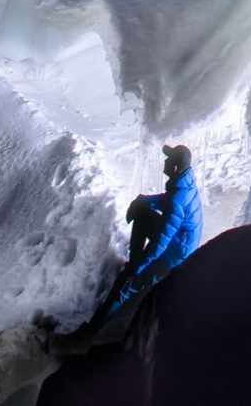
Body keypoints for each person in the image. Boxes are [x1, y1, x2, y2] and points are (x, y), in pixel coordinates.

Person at [77, 144, 203, 345]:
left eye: (169, 159)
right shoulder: (183, 183)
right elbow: (167, 202)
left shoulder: (178, 198)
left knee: (124, 285)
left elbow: (159, 244)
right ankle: (134, 266)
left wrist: (137, 269)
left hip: (172, 260)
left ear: (175, 169)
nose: (165, 161)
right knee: (142, 213)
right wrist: (143, 201)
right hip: (176, 244)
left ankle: (84, 339)